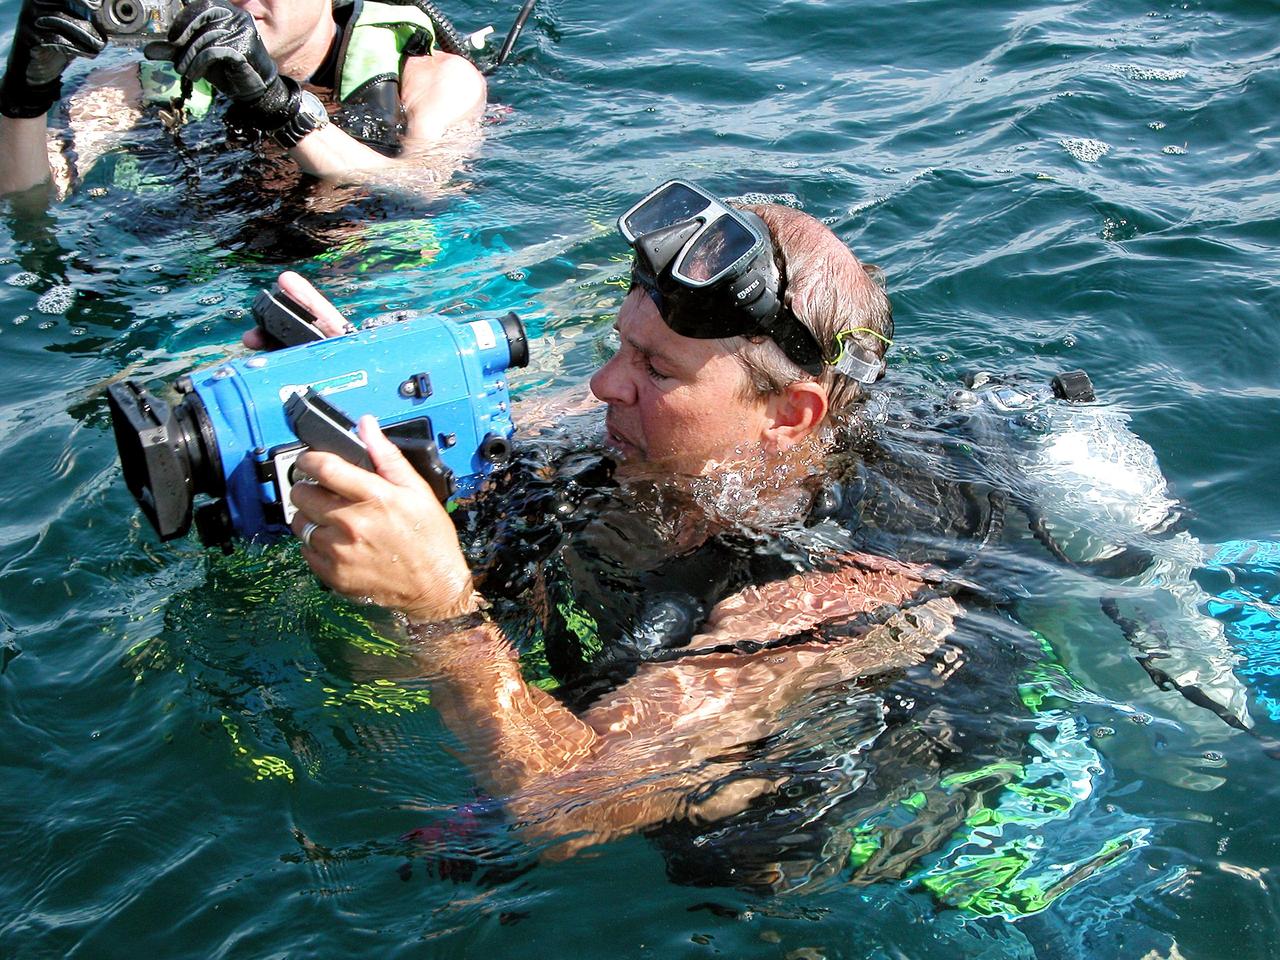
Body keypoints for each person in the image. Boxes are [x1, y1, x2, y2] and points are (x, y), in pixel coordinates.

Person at [277, 179, 969, 878]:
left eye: (656, 369)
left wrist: (442, 613)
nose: (606, 383)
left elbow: (564, 806)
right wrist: (364, 412)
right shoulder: (630, 438)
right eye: (621, 346)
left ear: (789, 416)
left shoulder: (845, 589)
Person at [0, 0, 487, 196]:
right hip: (214, 297)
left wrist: (276, 103)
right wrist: (25, 94)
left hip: (391, 284)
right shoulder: (135, 84)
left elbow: (426, 185)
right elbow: (28, 199)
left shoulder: (433, 78)